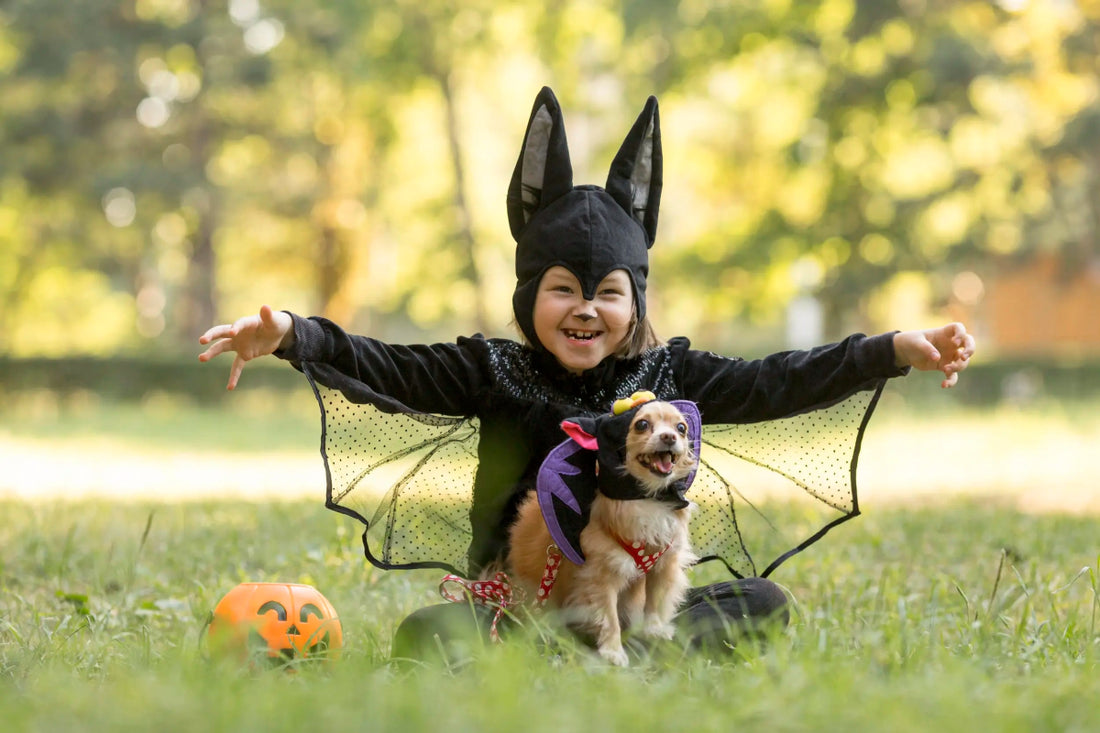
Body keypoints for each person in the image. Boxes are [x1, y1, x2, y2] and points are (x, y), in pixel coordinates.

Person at [198, 87, 975, 663]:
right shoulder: (490, 368)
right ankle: (584, 654)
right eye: (564, 288)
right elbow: (387, 366)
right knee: (425, 639)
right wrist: (295, 335)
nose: (585, 309)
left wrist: (892, 348)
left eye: (607, 293)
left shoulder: (670, 377)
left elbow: (781, 379)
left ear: (632, 299)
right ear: (531, 294)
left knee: (761, 603)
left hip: (630, 596)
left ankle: (622, 649)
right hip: (522, 602)